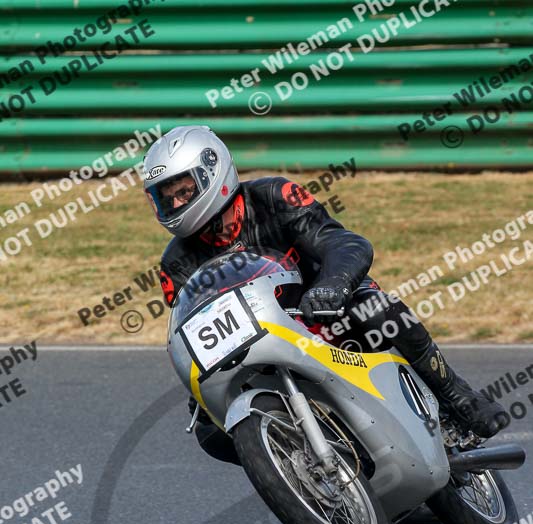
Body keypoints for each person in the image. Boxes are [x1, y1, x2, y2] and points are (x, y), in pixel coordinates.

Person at [143, 125, 505, 463]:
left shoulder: (275, 197)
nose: (176, 204)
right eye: (166, 197)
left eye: (183, 191)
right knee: (209, 432)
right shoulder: (175, 264)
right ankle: (297, 466)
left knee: (378, 310)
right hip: (259, 347)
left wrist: (333, 284)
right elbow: (191, 328)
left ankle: (456, 396)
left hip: (326, 312)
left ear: (212, 173)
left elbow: (344, 243)